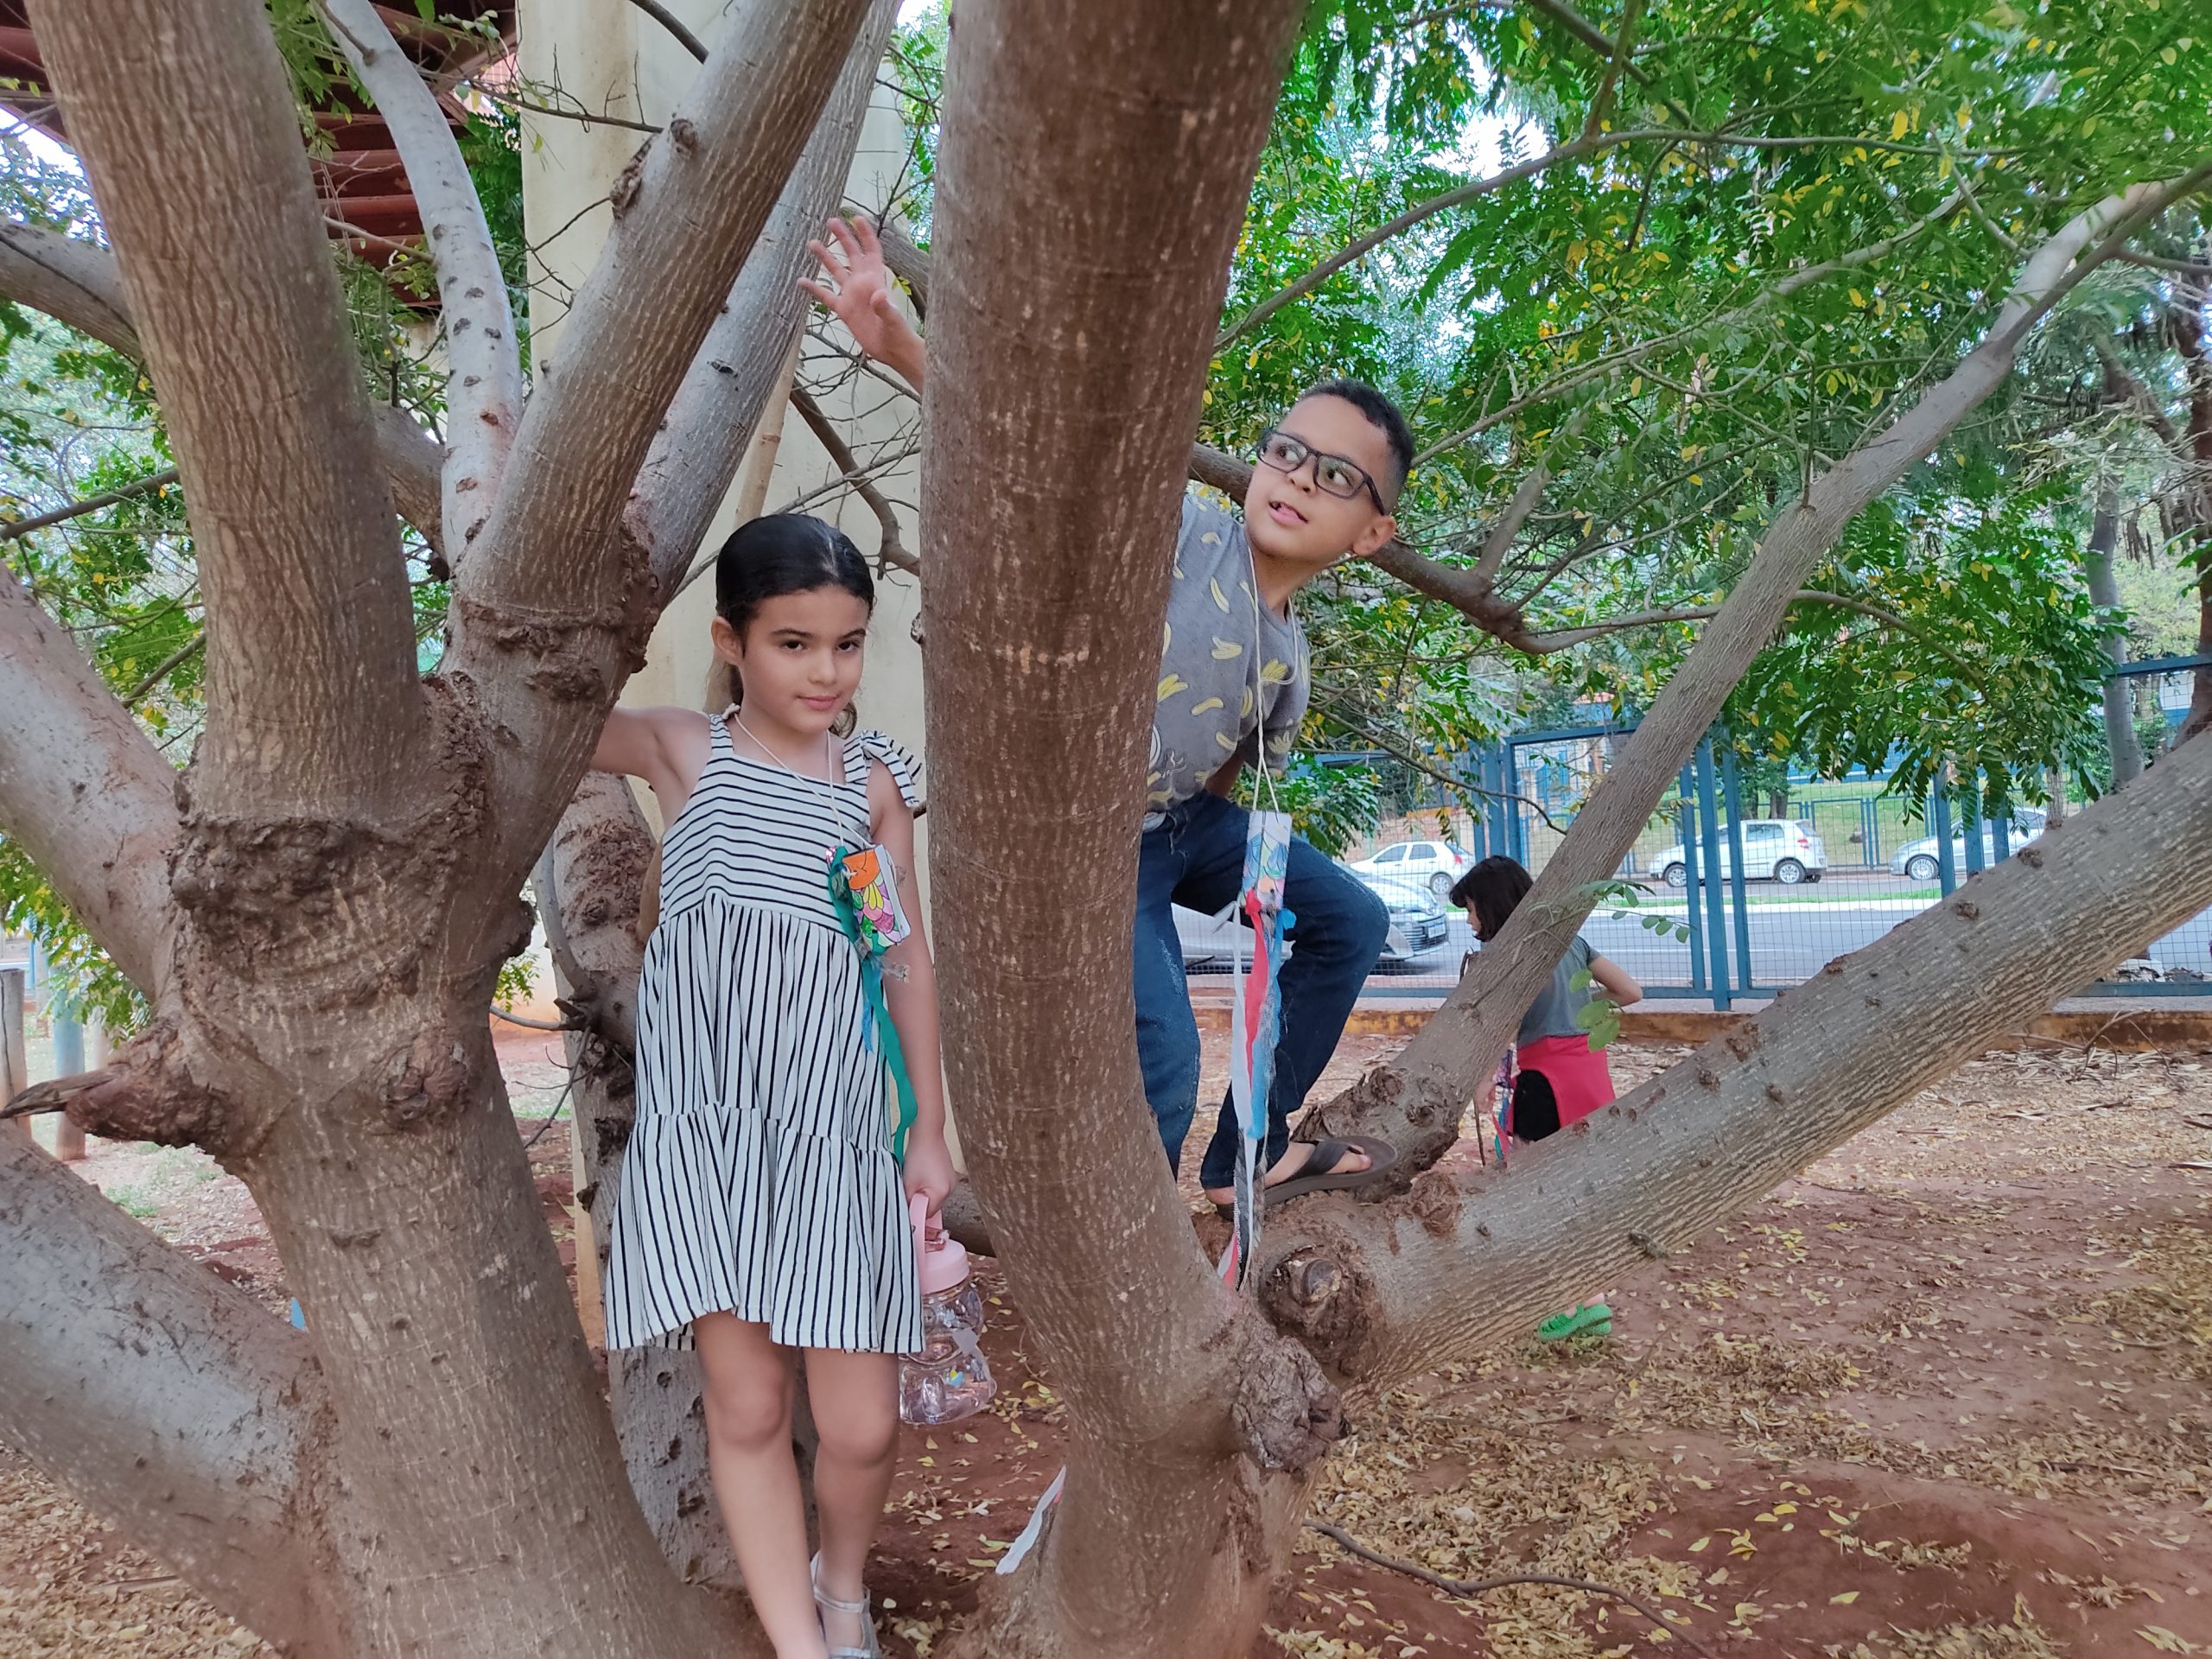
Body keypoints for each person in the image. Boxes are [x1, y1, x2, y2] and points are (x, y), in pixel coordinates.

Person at [803, 217, 1403, 1211]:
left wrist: (1200, 859)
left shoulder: (1290, 655)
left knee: (1354, 918)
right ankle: (1119, 1247)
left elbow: (1228, 780)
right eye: (1289, 450)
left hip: (1175, 826)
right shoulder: (1175, 525)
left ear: (1371, 533)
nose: (1298, 476)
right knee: (1163, 1059)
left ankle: (1243, 1150)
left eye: (1336, 475)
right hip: (1085, 837)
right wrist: (905, 346)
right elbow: (1032, 448)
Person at [591, 514, 955, 1659]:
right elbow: (524, 711)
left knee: (855, 1424)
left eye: (846, 644)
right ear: (731, 641)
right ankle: (805, 1647)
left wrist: (928, 1133)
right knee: (746, 1410)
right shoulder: (679, 750)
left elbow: (902, 961)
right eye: (794, 643)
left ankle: (841, 1588)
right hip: (704, 1139)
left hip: (832, 1133)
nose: (826, 671)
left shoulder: (872, 787)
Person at [1451, 855, 1643, 1139]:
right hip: (1592, 1071)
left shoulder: (1505, 956)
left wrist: (1485, 1080)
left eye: (1470, 909)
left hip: (1546, 1078)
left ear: (1490, 905)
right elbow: (1630, 992)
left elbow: (1505, 1026)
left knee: (1528, 1163)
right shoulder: (1571, 941)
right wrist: (1577, 1005)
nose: (1469, 920)